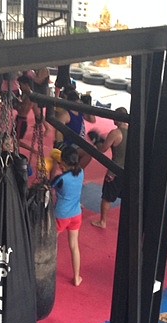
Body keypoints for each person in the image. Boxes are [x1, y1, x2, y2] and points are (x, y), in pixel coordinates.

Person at [90, 107, 128, 229]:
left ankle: (103, 221)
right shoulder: (134, 130)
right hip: (129, 170)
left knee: (106, 197)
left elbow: (102, 149)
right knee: (127, 197)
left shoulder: (115, 133)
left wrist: (96, 141)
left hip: (114, 171)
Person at [51, 146, 84, 287]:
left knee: (51, 243)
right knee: (74, 246)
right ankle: (76, 277)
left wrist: (53, 166)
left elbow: (49, 185)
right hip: (76, 215)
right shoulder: (81, 172)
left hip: (61, 216)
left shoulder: (61, 178)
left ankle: (45, 271)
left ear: (63, 163)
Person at [54, 89, 96, 169]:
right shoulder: (65, 114)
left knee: (90, 151)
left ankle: (74, 173)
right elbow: (58, 130)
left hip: (78, 142)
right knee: (88, 153)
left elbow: (92, 120)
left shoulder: (80, 111)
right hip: (69, 144)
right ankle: (75, 173)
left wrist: (88, 106)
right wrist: (60, 145)